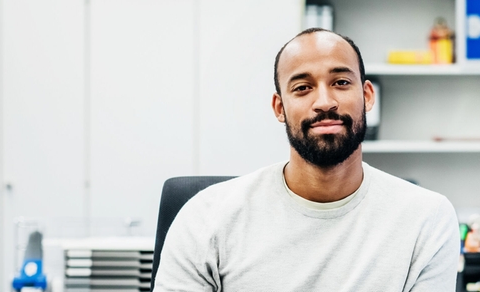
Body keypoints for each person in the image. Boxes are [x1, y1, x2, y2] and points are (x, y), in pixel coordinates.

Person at [153, 28, 460, 291]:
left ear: (367, 96)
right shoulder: (206, 220)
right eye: (302, 88)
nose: (324, 102)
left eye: (340, 82)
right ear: (279, 107)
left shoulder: (426, 219)